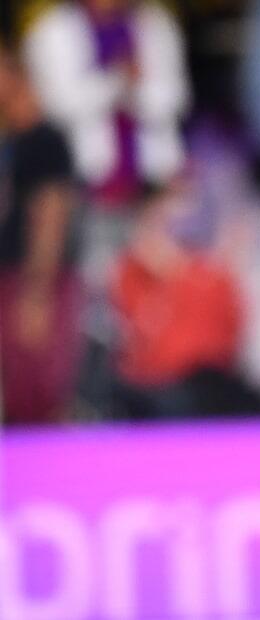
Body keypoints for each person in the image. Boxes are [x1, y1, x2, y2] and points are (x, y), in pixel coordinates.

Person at [0, 43, 82, 425]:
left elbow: (50, 219)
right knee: (17, 394)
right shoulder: (13, 142)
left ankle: (49, 480)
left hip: (34, 280)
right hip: (14, 277)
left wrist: (37, 292)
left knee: (39, 394)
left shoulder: (45, 141)